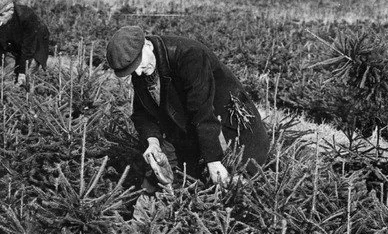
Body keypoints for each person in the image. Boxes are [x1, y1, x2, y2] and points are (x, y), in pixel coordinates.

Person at [106, 25, 270, 189]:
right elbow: (143, 114)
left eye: (139, 65)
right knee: (164, 180)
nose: (139, 74)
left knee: (228, 186)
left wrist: (213, 161)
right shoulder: (142, 68)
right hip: (186, 131)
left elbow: (203, 112)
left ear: (147, 45)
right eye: (133, 71)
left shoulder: (189, 56)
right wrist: (153, 143)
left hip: (230, 132)